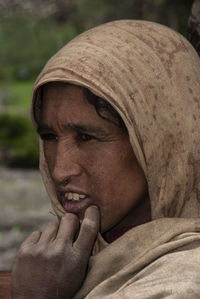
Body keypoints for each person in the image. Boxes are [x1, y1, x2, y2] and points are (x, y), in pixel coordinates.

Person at [11, 18, 200, 298]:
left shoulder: (182, 283)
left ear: (160, 143)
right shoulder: (78, 262)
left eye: (87, 137)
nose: (60, 171)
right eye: (49, 137)